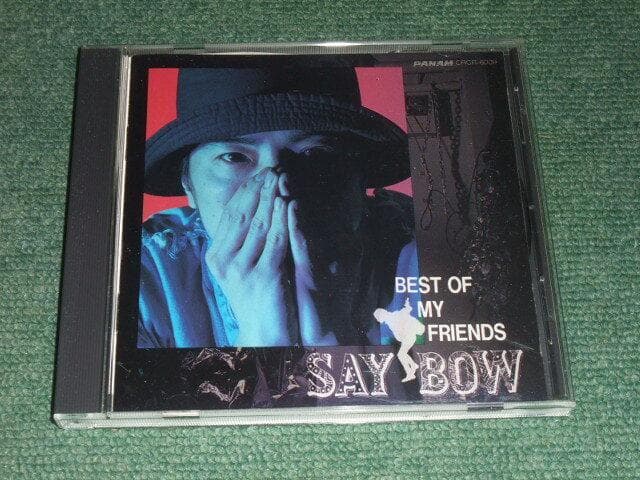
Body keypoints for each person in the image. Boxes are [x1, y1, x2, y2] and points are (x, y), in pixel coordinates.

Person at [138, 64, 420, 348]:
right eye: (234, 157)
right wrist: (262, 337)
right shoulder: (144, 279)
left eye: (314, 152)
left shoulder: (426, 254)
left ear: (360, 178)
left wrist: (331, 337)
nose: (279, 186)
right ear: (188, 184)